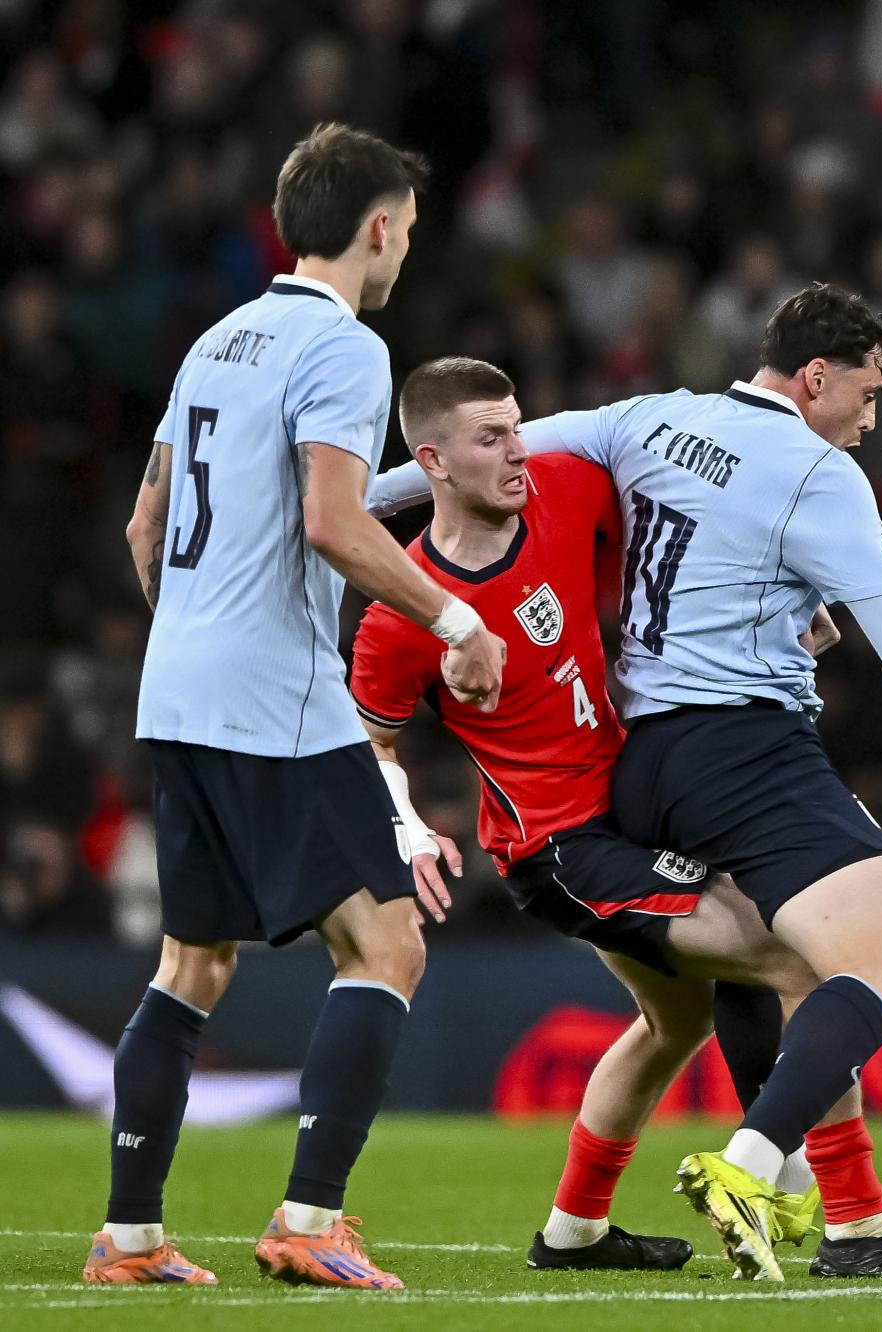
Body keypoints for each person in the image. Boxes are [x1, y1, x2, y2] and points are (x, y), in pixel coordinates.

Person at [370, 282, 882, 1281]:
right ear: (815, 377)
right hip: (741, 749)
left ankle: (837, 1228)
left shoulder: (651, 421)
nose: (870, 416)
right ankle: (756, 1171)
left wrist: (322, 509)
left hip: (646, 761)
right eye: (867, 390)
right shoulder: (816, 472)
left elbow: (488, 454)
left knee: (753, 983)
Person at [88, 123, 507, 1291]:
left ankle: (129, 1240)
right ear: (378, 227)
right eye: (408, 232)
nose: (406, 252)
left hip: (176, 691)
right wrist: (455, 620)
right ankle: (311, 1218)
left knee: (192, 963)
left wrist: (197, 637)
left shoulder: (216, 342)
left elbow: (146, 526)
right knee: (386, 943)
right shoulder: (343, 345)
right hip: (274, 694)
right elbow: (331, 520)